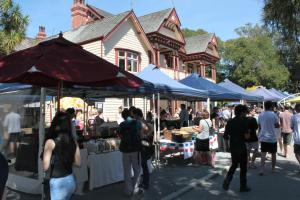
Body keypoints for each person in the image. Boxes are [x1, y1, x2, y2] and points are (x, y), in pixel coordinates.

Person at [42, 111, 81, 200]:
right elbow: (78, 162)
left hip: (58, 182)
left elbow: (45, 167)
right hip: (70, 179)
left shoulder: (50, 142)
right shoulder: (73, 141)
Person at [223, 105, 251, 192]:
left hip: (233, 146)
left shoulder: (230, 122)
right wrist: (248, 132)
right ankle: (243, 186)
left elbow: (225, 136)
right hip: (241, 147)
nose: (246, 114)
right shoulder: (244, 122)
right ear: (242, 112)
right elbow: (247, 137)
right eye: (245, 112)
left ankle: (228, 179)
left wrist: (227, 146)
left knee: (234, 164)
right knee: (243, 167)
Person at [119, 109, 142, 196]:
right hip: (135, 149)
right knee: (137, 170)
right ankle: (135, 189)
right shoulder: (137, 123)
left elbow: (120, 136)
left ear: (123, 116)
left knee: (127, 170)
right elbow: (140, 134)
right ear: (130, 114)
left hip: (125, 150)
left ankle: (128, 190)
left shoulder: (121, 124)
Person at [133, 108, 153, 190]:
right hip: (144, 145)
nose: (133, 117)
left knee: (144, 165)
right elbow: (150, 129)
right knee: (143, 165)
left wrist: (144, 135)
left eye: (134, 115)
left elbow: (144, 133)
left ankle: (145, 183)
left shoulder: (141, 122)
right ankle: (144, 182)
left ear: (137, 115)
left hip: (143, 146)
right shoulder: (143, 121)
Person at [258, 101, 280, 175]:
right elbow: (277, 125)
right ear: (271, 106)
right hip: (272, 138)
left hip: (263, 137)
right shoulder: (274, 115)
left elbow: (260, 126)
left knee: (263, 154)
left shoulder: (261, 114)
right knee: (273, 154)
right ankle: (273, 169)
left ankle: (262, 169)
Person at [291, 104, 300, 173]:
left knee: (297, 153)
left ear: (296, 109)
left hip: (297, 138)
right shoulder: (293, 117)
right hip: (297, 138)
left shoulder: (294, 117)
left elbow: (292, 127)